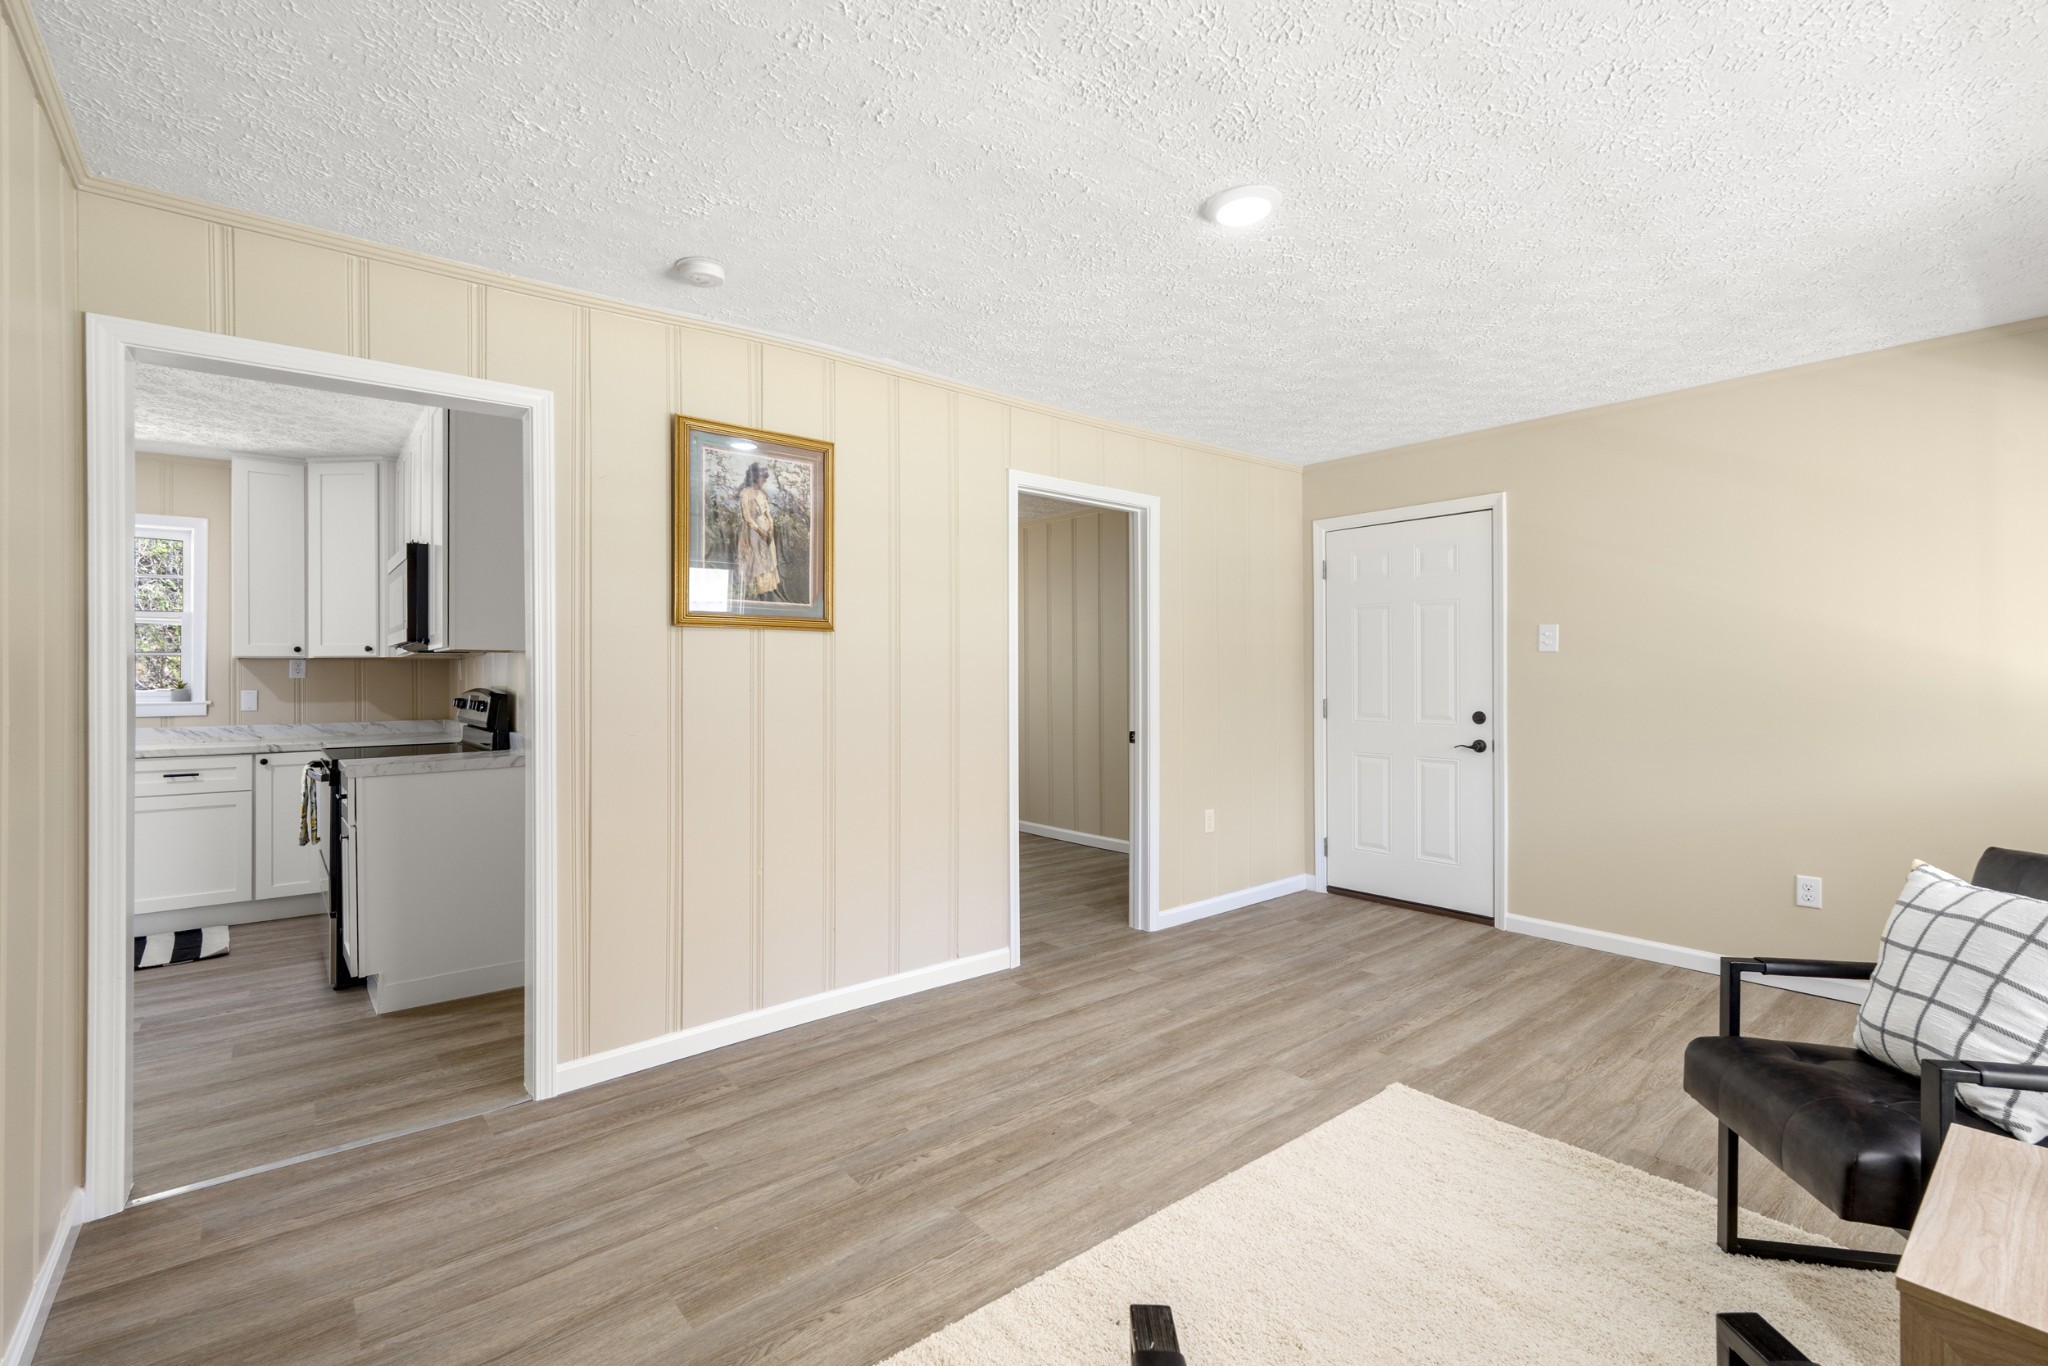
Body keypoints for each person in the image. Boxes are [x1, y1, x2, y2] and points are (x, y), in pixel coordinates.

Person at [735, 461, 782, 601]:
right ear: (755, 477)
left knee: (768, 558)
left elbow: (768, 512)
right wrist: (761, 532)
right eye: (762, 478)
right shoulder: (745, 493)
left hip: (766, 530)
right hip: (753, 531)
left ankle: (767, 591)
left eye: (765, 478)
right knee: (755, 559)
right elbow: (747, 518)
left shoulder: (762, 494)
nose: (764, 481)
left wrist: (771, 529)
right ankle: (756, 592)